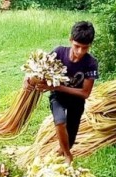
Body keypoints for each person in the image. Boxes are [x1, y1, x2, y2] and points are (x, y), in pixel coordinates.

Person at [28, 21, 98, 164]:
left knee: (70, 137)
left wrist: (56, 87)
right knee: (60, 121)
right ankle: (67, 155)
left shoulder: (91, 63)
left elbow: (85, 93)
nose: (80, 52)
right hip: (58, 97)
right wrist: (28, 78)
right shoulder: (59, 52)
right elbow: (39, 67)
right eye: (77, 46)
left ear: (90, 45)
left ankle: (63, 150)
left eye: (84, 48)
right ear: (70, 40)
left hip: (77, 101)